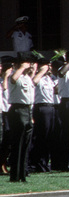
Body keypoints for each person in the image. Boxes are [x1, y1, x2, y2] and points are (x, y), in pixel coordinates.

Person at [7, 54, 35, 182]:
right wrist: (22, 68)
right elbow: (13, 79)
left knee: (25, 144)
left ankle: (23, 174)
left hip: (27, 110)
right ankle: (15, 175)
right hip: (18, 110)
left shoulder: (26, 78)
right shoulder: (14, 75)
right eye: (26, 63)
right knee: (17, 144)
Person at [29, 58, 57, 173]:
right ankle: (37, 163)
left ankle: (44, 162)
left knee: (48, 137)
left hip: (51, 107)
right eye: (46, 65)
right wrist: (40, 71)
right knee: (41, 136)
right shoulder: (37, 76)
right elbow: (33, 82)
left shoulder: (48, 79)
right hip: (41, 107)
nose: (49, 67)